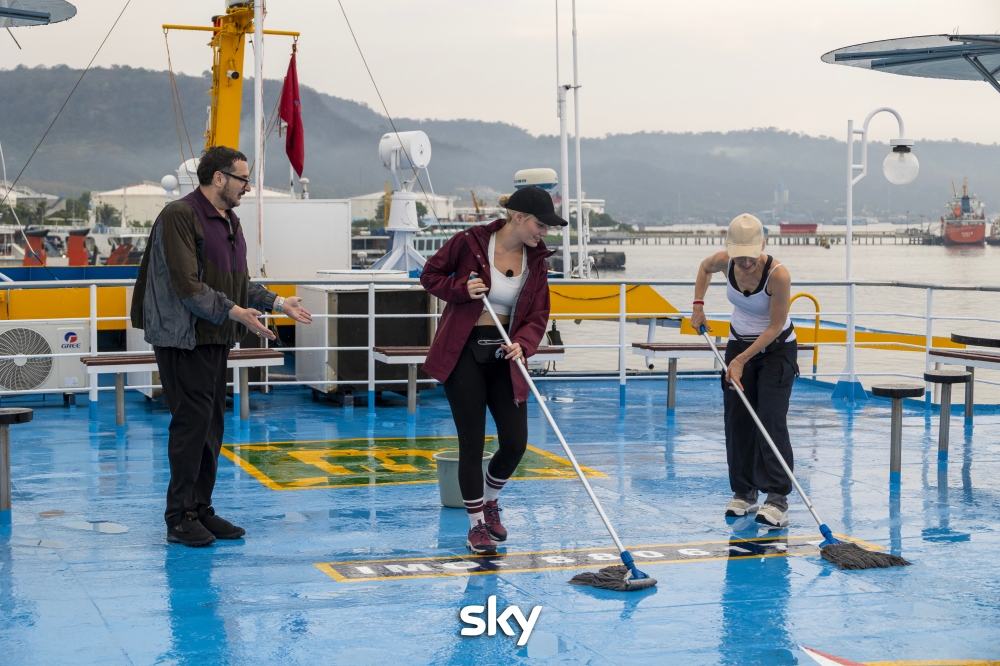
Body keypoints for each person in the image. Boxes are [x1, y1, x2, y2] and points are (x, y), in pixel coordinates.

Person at [131, 146, 313, 547]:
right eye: (243, 179)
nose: (247, 187)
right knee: (190, 425)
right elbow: (187, 285)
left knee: (212, 425)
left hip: (215, 336)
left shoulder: (229, 221)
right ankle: (178, 517)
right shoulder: (180, 215)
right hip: (183, 339)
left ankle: (200, 509)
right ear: (219, 178)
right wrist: (235, 311)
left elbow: (237, 283)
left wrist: (277, 303)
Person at [421, 186, 567, 554]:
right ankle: (476, 527)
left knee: (515, 441)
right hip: (464, 351)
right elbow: (430, 275)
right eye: (540, 224)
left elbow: (538, 314)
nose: (543, 232)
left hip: (506, 354)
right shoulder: (469, 242)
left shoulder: (537, 261)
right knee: (471, 443)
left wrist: (525, 343)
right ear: (518, 218)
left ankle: (489, 501)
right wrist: (460, 287)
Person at [690, 213, 797, 528]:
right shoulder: (725, 262)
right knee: (737, 418)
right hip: (739, 344)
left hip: (776, 350)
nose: (745, 262)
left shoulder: (778, 276)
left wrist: (740, 360)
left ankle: (777, 498)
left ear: (763, 245)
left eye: (750, 255)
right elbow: (703, 268)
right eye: (739, 256)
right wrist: (698, 305)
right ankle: (744, 492)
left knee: (770, 418)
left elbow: (776, 326)